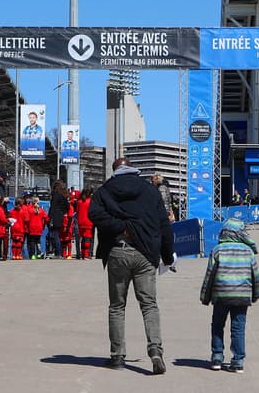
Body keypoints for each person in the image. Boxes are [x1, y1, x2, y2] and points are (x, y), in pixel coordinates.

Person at [88, 156, 175, 375]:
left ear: (114, 170)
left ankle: (117, 356)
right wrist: (167, 255)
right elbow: (164, 224)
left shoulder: (105, 190)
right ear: (132, 169)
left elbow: (94, 214)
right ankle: (155, 350)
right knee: (149, 304)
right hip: (146, 254)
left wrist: (118, 228)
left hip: (118, 252)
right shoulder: (149, 190)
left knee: (117, 306)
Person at [200, 218, 259, 374]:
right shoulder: (249, 252)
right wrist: (255, 295)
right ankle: (238, 360)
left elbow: (209, 275)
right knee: (238, 328)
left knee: (217, 325)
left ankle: (217, 356)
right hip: (242, 295)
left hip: (221, 294)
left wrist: (205, 296)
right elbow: (256, 276)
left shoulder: (217, 250)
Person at [48, 181, 70, 259]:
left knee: (54, 235)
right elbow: (67, 206)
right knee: (57, 235)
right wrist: (63, 212)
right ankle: (59, 253)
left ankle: (58, 253)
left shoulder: (55, 195)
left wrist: (50, 218)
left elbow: (52, 207)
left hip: (54, 216)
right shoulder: (62, 196)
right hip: (60, 216)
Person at [76, 187, 95, 260]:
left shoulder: (79, 201)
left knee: (82, 239)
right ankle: (86, 254)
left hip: (80, 222)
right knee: (87, 239)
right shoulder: (90, 201)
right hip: (88, 222)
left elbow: (77, 212)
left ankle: (82, 253)